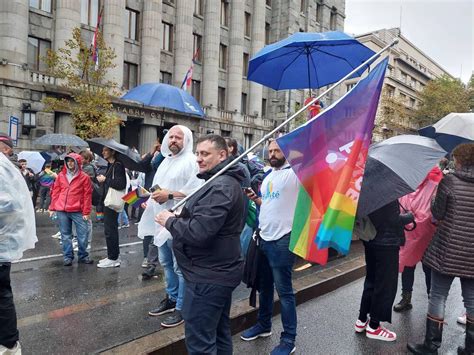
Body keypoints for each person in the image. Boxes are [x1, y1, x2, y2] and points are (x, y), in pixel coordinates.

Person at [156, 134, 245, 354]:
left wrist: (170, 220)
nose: (199, 159)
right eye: (197, 153)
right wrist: (183, 216)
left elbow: (199, 233)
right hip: (215, 271)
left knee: (200, 342)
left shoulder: (222, 186)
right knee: (218, 332)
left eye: (205, 154)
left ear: (222, 155)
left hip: (208, 275)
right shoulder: (218, 182)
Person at [408, 143, 474, 355]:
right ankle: (471, 348)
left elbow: (437, 213)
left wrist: (436, 198)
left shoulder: (450, 181)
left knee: (438, 295)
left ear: (460, 160)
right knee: (472, 300)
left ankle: (431, 346)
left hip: (446, 250)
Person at [240, 139, 300, 355]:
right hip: (263, 239)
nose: (272, 154)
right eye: (270, 150)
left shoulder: (296, 174)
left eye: (277, 150)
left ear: (288, 152)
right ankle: (263, 325)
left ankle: (288, 339)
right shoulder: (269, 175)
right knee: (264, 287)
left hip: (283, 241)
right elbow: (270, 204)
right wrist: (256, 199)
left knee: (285, 292)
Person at [139, 125, 202, 327]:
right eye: (171, 136)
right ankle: (172, 298)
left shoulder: (192, 162)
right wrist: (150, 196)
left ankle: (182, 308)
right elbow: (159, 187)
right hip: (161, 221)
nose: (173, 140)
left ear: (187, 140)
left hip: (179, 221)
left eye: (178, 137)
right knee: (166, 263)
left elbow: (197, 189)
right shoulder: (165, 162)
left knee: (179, 266)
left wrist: (171, 195)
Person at [354, 199, 414, 341]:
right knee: (385, 284)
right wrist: (409, 217)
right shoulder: (386, 191)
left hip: (370, 239)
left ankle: (362, 320)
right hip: (386, 243)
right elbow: (392, 219)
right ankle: (374, 326)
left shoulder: (364, 188)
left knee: (371, 279)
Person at [0, 133, 37, 355]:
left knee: (1, 295)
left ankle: (9, 345)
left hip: (2, 244)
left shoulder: (3, 167)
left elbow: (10, 204)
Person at [49, 153, 93, 266]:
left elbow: (87, 195)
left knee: (82, 235)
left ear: (77, 162)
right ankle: (67, 256)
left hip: (77, 210)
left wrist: (86, 212)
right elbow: (55, 192)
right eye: (68, 161)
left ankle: (83, 256)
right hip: (62, 209)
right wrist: (52, 207)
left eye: (72, 161)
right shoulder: (61, 176)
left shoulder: (84, 177)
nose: (70, 163)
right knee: (65, 235)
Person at [96, 147, 127, 268]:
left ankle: (113, 258)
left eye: (105, 150)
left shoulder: (118, 165)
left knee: (110, 230)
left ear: (112, 152)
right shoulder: (111, 164)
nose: (103, 152)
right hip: (107, 200)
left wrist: (106, 179)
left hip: (112, 202)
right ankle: (112, 255)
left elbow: (120, 184)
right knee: (109, 230)